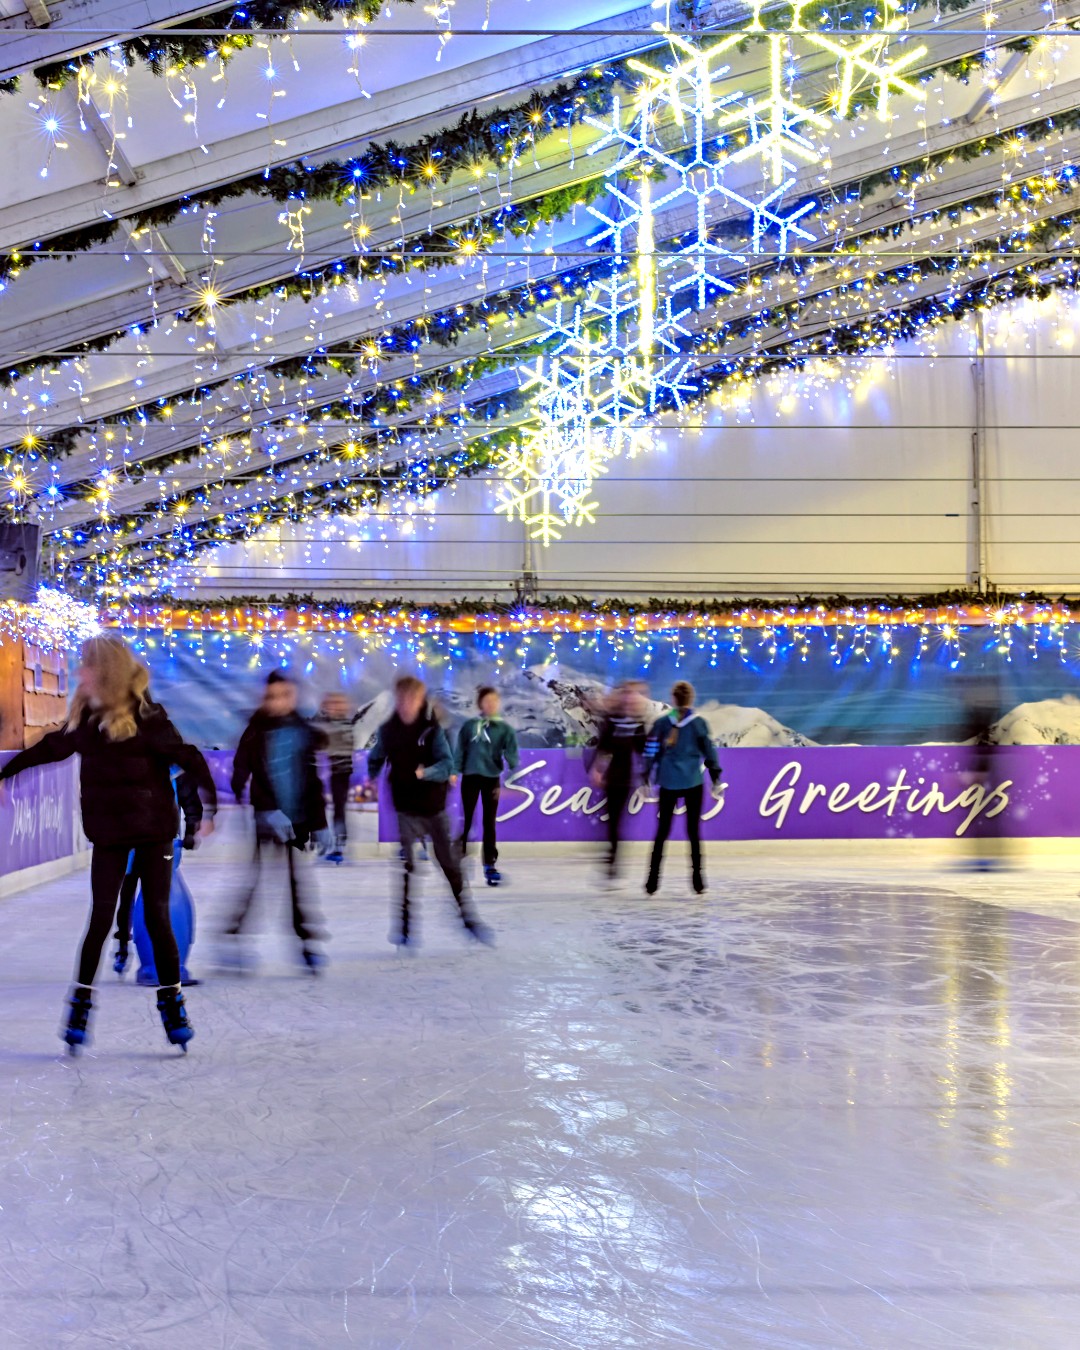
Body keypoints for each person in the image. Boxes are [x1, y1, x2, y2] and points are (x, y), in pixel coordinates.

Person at [0, 636, 215, 1053]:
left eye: (86, 666)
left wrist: (209, 809)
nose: (80, 673)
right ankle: (80, 1004)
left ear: (106, 672)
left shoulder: (148, 717)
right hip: (110, 834)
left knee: (157, 917)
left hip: (155, 832)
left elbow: (188, 757)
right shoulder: (86, 721)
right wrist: (6, 774)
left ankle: (171, 1002)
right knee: (100, 919)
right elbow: (50, 748)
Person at [367, 675, 492, 947]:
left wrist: (427, 773)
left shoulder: (431, 730)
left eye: (412, 699)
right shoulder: (389, 730)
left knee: (449, 864)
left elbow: (447, 764)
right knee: (407, 866)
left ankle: (468, 917)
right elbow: (376, 756)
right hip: (405, 807)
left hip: (433, 808)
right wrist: (372, 778)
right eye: (402, 699)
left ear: (420, 700)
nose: (407, 704)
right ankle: (404, 925)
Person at [226, 671, 330, 973]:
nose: (277, 702)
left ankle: (306, 943)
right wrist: (264, 808)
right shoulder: (256, 731)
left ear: (293, 697)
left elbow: (312, 783)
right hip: (266, 818)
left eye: (284, 696)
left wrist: (320, 823)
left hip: (296, 819)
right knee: (257, 877)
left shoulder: (303, 732)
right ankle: (233, 937)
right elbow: (243, 774)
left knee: (296, 881)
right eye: (272, 697)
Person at [113, 768, 204, 983]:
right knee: (127, 894)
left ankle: (166, 959)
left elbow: (190, 799)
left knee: (159, 896)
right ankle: (124, 943)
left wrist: (191, 828)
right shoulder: (128, 761)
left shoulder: (175, 768)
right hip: (131, 842)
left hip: (163, 842)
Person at [644, 680, 721, 897]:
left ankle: (652, 881)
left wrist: (646, 774)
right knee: (694, 832)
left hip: (668, 781)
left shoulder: (661, 723)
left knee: (662, 832)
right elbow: (709, 752)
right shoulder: (699, 724)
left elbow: (650, 750)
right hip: (692, 782)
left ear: (673, 699)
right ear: (691, 699)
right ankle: (698, 881)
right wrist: (715, 775)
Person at [454, 686, 519, 886]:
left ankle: (489, 864)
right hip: (470, 777)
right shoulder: (469, 726)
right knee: (467, 820)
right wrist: (454, 772)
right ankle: (459, 856)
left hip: (491, 779)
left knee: (489, 823)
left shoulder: (504, 729)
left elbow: (512, 754)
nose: (490, 704)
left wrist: (511, 773)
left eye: (494, 701)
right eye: (486, 701)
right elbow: (460, 749)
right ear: (480, 704)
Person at [590, 681, 650, 881]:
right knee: (612, 821)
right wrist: (598, 770)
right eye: (628, 694)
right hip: (611, 778)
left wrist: (645, 779)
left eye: (634, 695)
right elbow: (603, 746)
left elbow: (643, 752)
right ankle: (611, 857)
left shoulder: (638, 724)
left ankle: (613, 859)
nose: (630, 698)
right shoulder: (612, 720)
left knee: (617, 821)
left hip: (625, 779)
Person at [312, 691, 359, 863]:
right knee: (319, 805)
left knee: (339, 808)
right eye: (332, 703)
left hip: (341, 773)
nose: (335, 706)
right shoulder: (325, 724)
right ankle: (322, 841)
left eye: (339, 703)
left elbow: (338, 742)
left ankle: (339, 846)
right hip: (327, 772)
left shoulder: (346, 724)